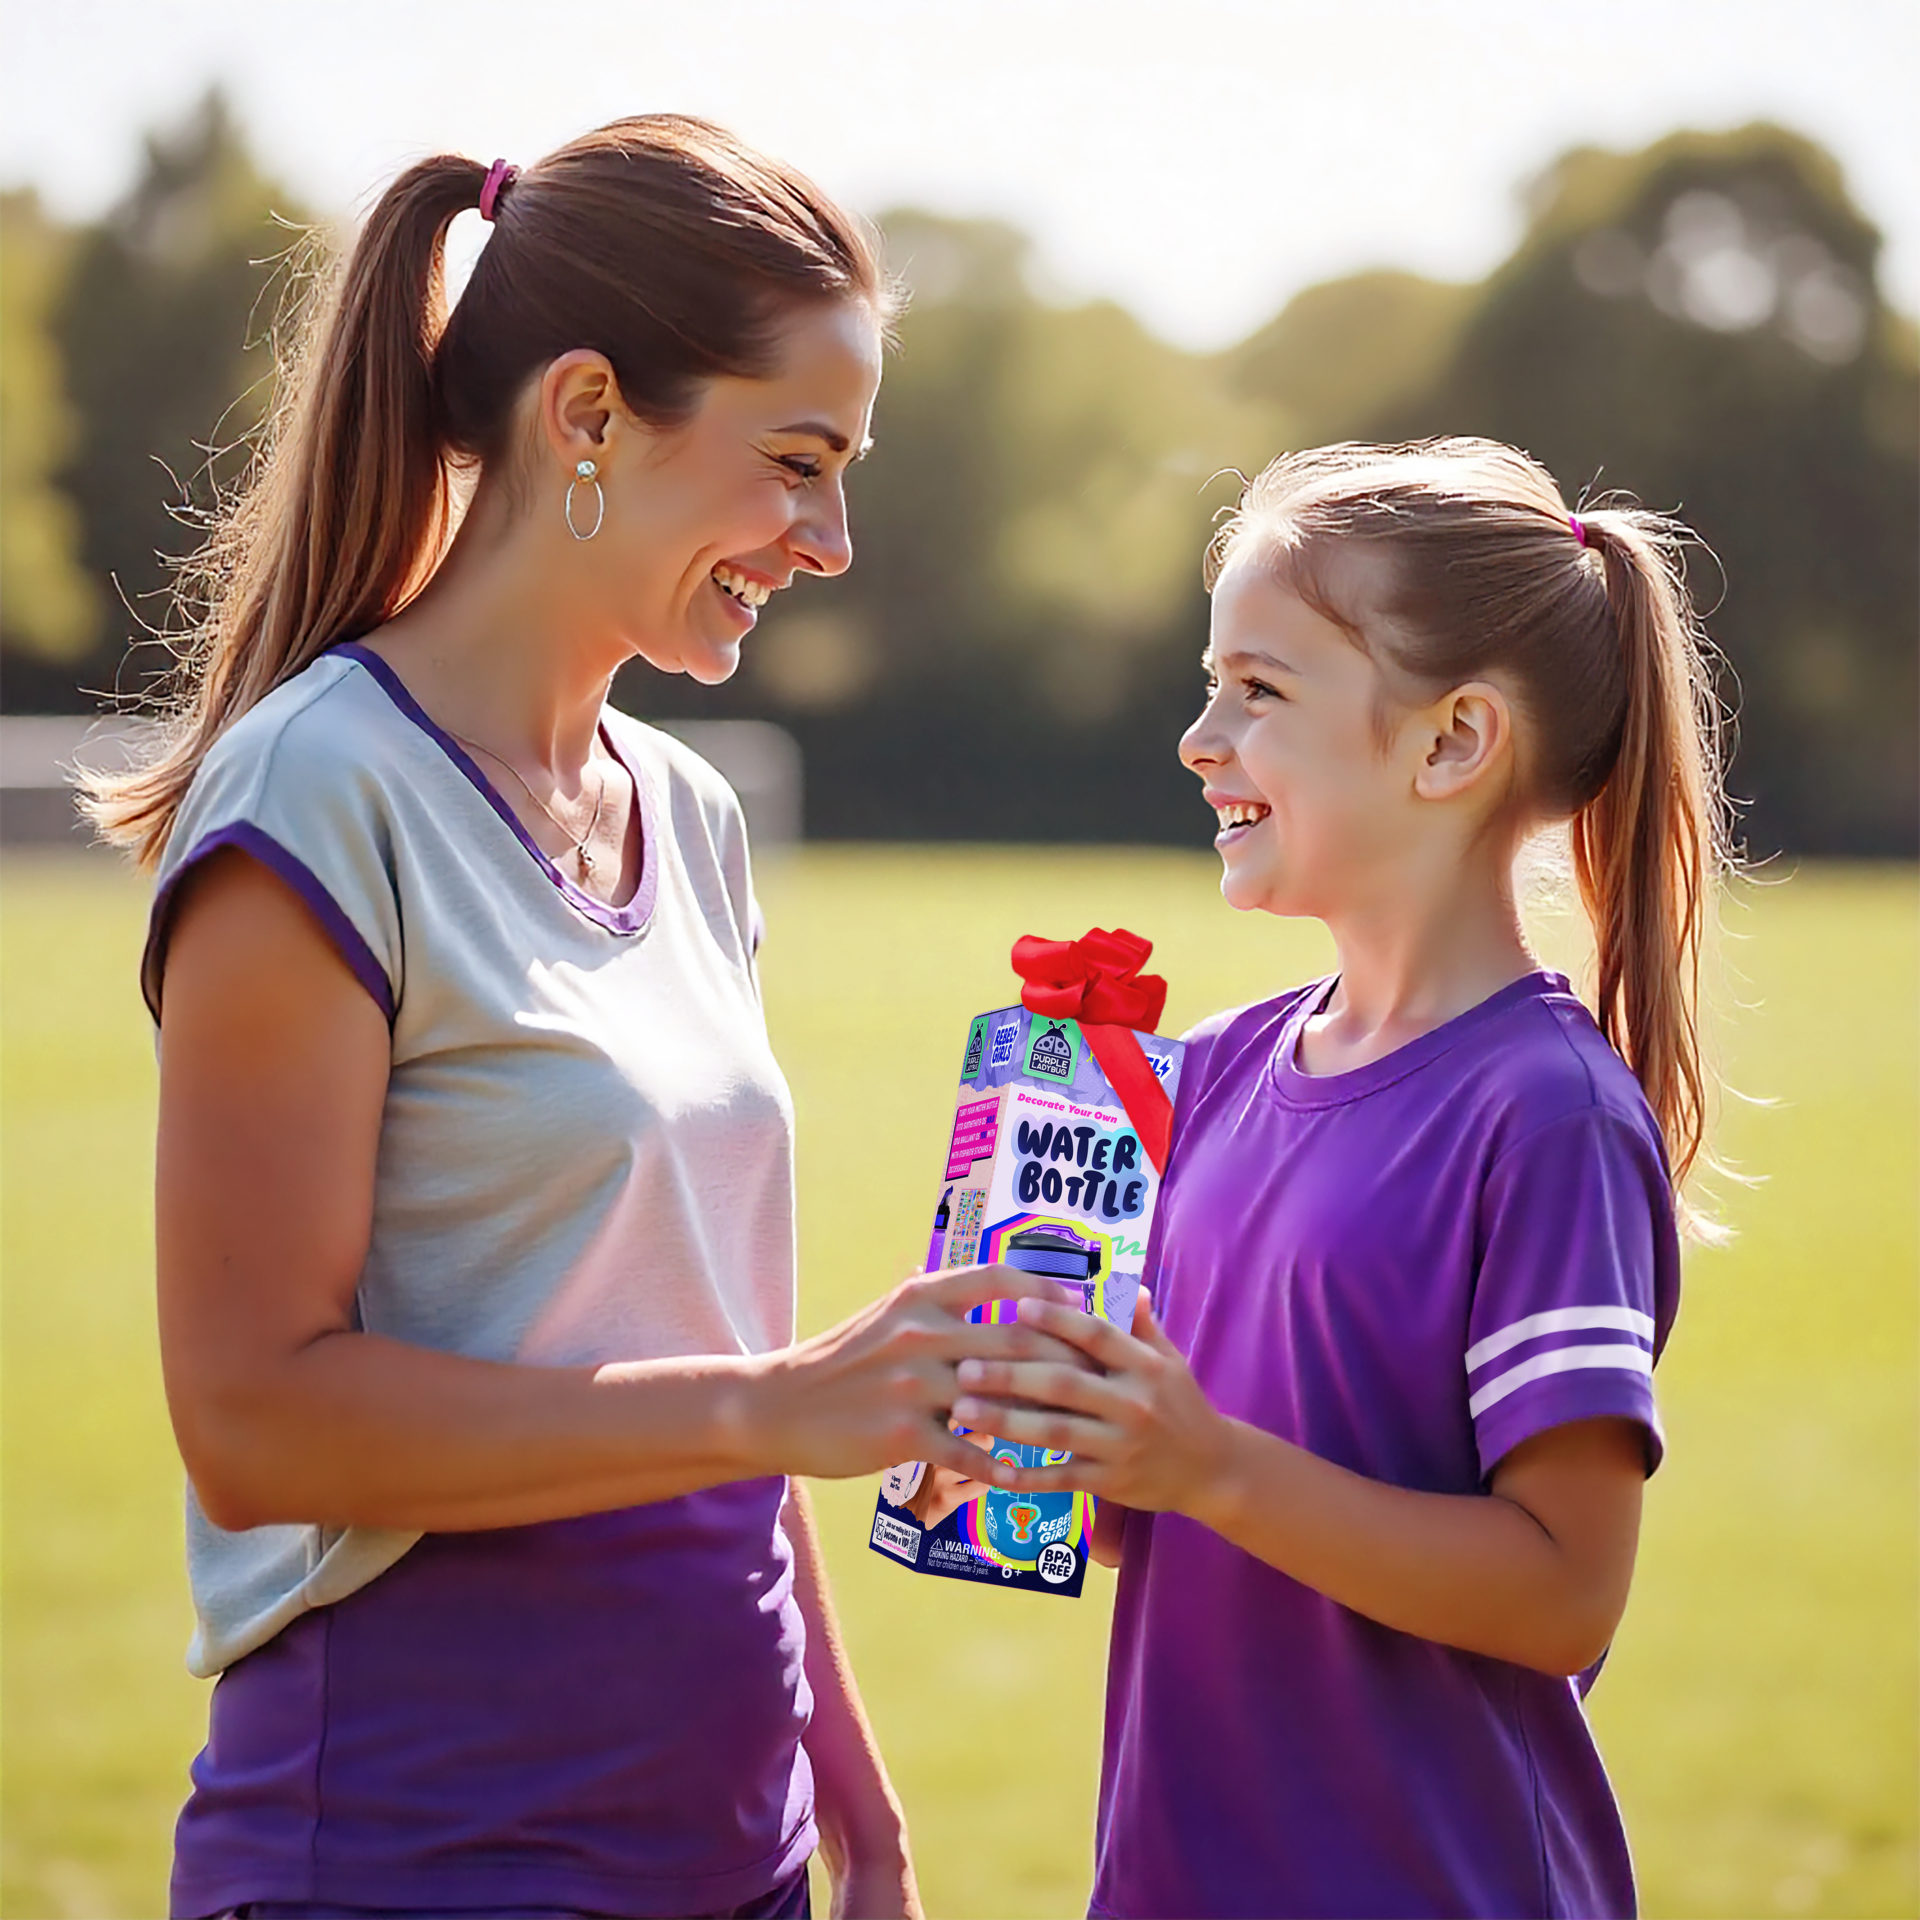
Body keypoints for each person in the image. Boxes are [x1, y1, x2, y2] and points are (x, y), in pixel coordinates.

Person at [84, 117, 1074, 1920]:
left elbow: (713, 1367)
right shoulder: (319, 791)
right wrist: (780, 1398)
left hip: (738, 1851)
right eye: (797, 462)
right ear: (592, 413)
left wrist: (859, 1813)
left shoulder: (690, 817)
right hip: (422, 1856)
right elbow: (255, 1421)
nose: (833, 538)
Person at [951, 440, 1729, 1917]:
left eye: (1259, 690)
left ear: (1451, 743)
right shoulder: (1216, 1071)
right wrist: (1050, 1434)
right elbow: (1173, 1504)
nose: (1200, 739)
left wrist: (1206, 1465)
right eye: (1210, 683)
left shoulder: (1545, 1115)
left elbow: (1566, 1592)